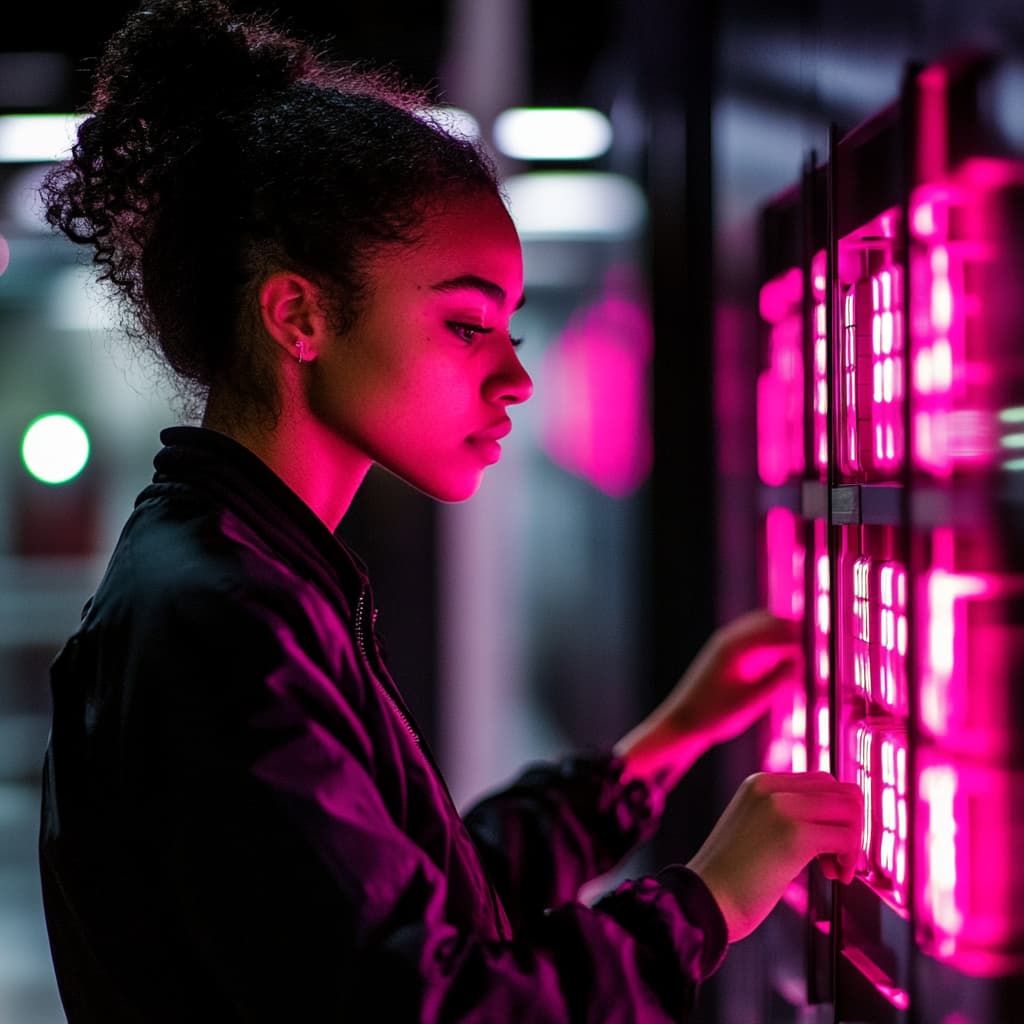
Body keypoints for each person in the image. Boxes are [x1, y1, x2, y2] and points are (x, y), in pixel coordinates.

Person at [37, 2, 862, 1020]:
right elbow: (429, 1002)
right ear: (298, 314)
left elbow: (416, 905)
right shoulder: (222, 616)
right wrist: (708, 899)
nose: (515, 376)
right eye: (466, 321)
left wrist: (664, 744)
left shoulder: (247, 576)